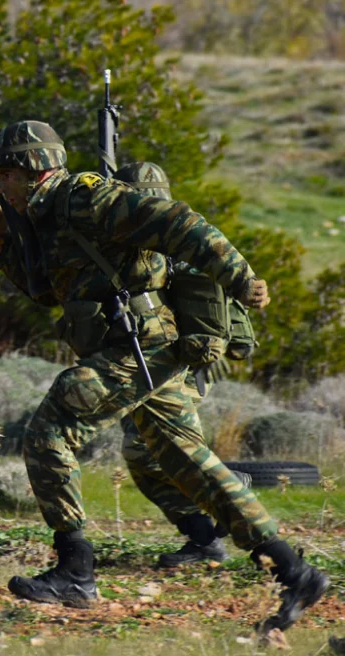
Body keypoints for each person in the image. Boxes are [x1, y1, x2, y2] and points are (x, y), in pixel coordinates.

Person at [0, 121, 328, 632]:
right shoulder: (46, 218)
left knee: (51, 430)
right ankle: (296, 572)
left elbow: (176, 221)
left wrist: (240, 275)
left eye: (4, 175)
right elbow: (47, 292)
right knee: (190, 465)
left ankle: (75, 571)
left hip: (141, 346)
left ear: (32, 170)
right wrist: (1, 243)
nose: (0, 187)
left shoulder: (82, 198)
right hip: (135, 348)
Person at [111, 162, 230, 567]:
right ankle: (205, 535)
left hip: (180, 362)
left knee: (151, 450)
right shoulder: (144, 234)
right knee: (142, 454)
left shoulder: (171, 235)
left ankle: (229, 505)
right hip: (151, 360)